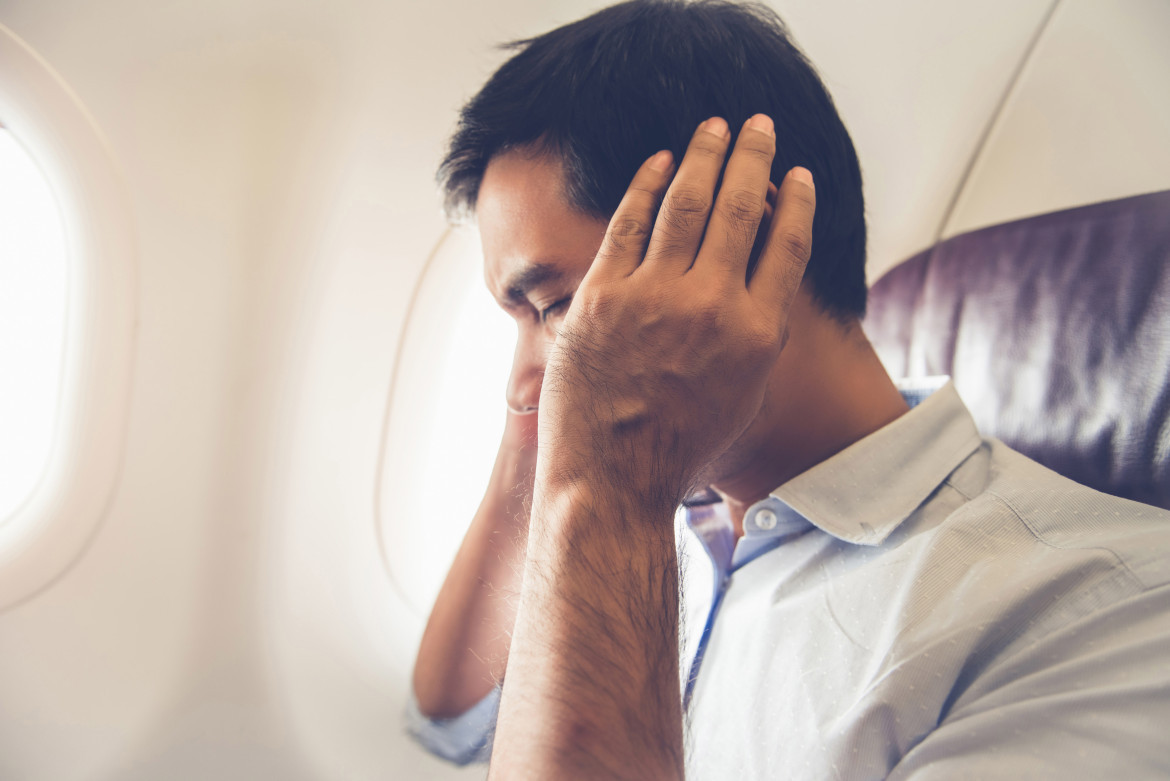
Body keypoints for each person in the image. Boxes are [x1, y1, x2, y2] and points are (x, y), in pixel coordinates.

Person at [407, 1, 1170, 778]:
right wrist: (539, 430)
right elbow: (455, 725)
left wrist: (613, 483)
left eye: (557, 304)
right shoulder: (662, 517)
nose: (521, 379)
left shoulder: (1107, 611)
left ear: (740, 238)